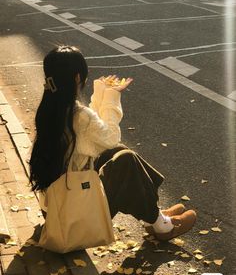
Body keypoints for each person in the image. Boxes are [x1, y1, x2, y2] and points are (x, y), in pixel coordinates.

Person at [29, 45, 196, 242]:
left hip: (59, 208)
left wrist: (101, 94)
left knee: (118, 152)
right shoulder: (77, 115)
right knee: (125, 161)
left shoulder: (51, 109)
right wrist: (111, 97)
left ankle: (153, 216)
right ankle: (162, 226)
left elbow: (92, 133)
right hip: (74, 221)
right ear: (76, 78)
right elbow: (108, 136)